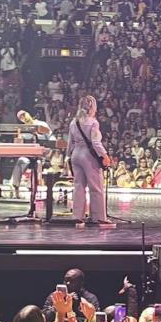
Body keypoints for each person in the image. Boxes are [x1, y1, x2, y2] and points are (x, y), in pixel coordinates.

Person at [66, 95, 113, 228]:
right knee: (96, 187)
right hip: (88, 155)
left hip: (76, 154)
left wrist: (68, 157)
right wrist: (105, 156)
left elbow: (70, 143)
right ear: (93, 107)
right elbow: (95, 143)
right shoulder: (93, 122)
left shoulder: (73, 122)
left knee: (79, 186)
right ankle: (98, 217)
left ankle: (77, 217)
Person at [10, 109, 54, 199]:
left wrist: (48, 150)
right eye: (21, 118)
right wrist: (18, 138)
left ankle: (34, 190)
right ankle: (16, 189)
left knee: (37, 164)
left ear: (28, 114)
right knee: (21, 162)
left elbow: (52, 138)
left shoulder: (42, 124)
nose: (23, 118)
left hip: (41, 155)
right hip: (28, 154)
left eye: (24, 115)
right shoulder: (22, 129)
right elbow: (19, 143)